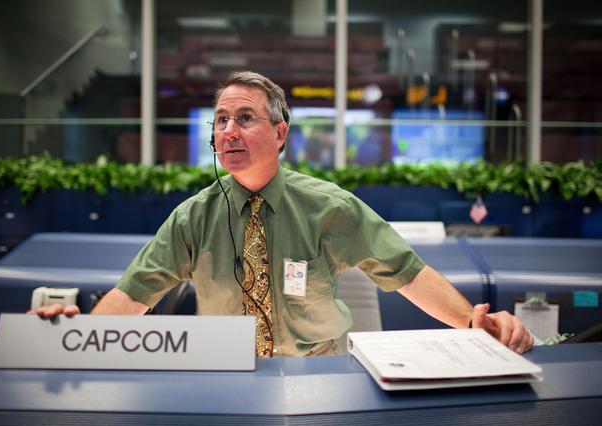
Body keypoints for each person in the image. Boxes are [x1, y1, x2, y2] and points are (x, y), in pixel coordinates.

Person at [30, 70, 534, 356]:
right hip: (227, 377)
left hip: (320, 375)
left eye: (244, 117)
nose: (228, 130)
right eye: (220, 120)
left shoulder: (330, 208)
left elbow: (408, 273)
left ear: (279, 133)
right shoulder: (193, 218)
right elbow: (133, 294)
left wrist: (474, 324)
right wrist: (78, 336)